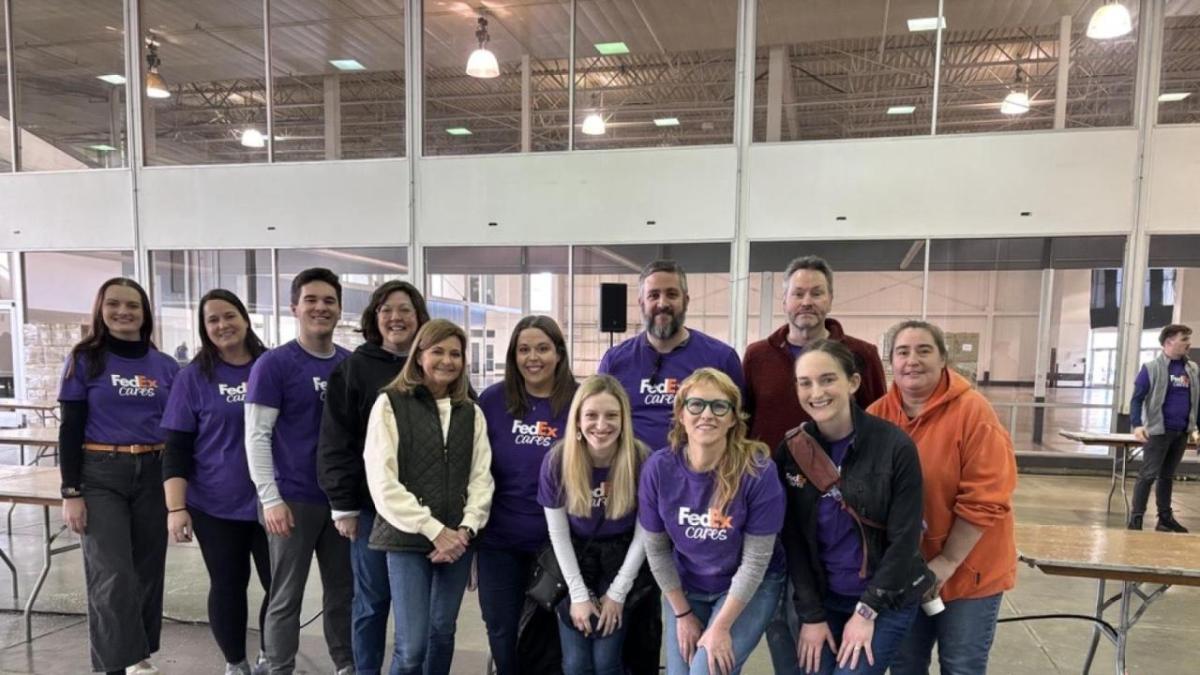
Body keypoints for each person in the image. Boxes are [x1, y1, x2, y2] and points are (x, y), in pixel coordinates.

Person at [868, 320, 1017, 675]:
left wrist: (947, 562)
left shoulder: (974, 413)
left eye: (924, 350)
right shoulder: (876, 417)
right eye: (902, 352)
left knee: (961, 665)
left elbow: (986, 497)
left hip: (969, 571)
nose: (912, 360)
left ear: (943, 358)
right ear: (891, 361)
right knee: (904, 665)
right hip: (904, 572)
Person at [777, 340, 931, 675]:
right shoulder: (791, 452)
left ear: (854, 383)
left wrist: (867, 612)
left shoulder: (895, 447)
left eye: (828, 379)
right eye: (805, 383)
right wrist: (811, 615)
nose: (816, 392)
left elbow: (905, 540)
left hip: (885, 597)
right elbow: (794, 542)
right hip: (823, 597)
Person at [57, 278, 180, 675]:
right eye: (114, 304)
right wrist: (70, 491)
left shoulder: (165, 366)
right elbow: (70, 426)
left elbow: (179, 428)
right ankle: (115, 665)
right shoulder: (84, 359)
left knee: (147, 572)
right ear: (101, 309)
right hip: (100, 474)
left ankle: (138, 655)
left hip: (154, 473)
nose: (123, 312)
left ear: (145, 314)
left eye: (133, 305)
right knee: (112, 575)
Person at [362, 319, 495, 675]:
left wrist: (465, 530)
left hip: (457, 542)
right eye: (438, 351)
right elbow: (382, 480)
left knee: (442, 632)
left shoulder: (472, 412)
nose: (447, 360)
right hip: (407, 538)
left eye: (455, 353)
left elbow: (482, 478)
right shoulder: (390, 404)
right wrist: (433, 529)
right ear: (419, 356)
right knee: (411, 647)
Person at [639, 367, 786, 675]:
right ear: (681, 414)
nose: (707, 414)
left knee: (705, 671)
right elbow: (656, 550)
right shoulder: (658, 469)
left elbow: (756, 561)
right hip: (687, 585)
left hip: (750, 586)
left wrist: (720, 627)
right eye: (696, 404)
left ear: (733, 418)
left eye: (720, 406)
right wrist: (682, 615)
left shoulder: (757, 471)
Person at [317, 280, 431, 675]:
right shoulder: (353, 370)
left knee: (420, 610)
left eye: (405, 309)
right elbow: (337, 441)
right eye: (387, 310)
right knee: (372, 601)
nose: (396, 317)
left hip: (430, 511)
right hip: (371, 510)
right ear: (374, 318)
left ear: (419, 317)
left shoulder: (433, 363)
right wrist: (343, 506)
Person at [244, 268, 353, 675]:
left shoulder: (348, 364)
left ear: (339, 309)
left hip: (341, 502)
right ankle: (278, 666)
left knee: (344, 592)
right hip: (292, 499)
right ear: (295, 307)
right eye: (311, 299)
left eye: (328, 300)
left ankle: (347, 664)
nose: (320, 307)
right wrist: (270, 498)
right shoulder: (274, 365)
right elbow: (256, 436)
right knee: (286, 594)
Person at [161, 289, 272, 675]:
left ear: (245, 318)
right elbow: (176, 447)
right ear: (204, 329)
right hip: (215, 504)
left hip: (273, 502)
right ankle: (235, 663)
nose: (223, 325)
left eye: (229, 315)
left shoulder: (271, 366)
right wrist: (176, 508)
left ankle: (270, 657)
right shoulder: (193, 378)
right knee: (228, 585)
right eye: (213, 320)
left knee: (279, 587)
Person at [476, 316, 577, 675]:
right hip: (499, 541)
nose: (533, 357)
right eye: (524, 349)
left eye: (542, 348)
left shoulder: (580, 402)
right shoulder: (491, 401)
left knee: (547, 635)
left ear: (559, 354)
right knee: (502, 629)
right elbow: (474, 471)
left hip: (558, 543)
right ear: (513, 356)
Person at [538, 374, 651, 675]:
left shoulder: (642, 459)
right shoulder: (557, 460)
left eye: (611, 415)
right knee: (575, 664)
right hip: (574, 558)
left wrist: (617, 593)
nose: (601, 425)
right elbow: (558, 534)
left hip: (623, 558)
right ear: (577, 420)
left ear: (624, 419)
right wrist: (577, 594)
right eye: (591, 415)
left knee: (606, 662)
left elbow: (646, 532)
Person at [599, 259, 744, 452]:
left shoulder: (721, 358)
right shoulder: (615, 360)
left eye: (672, 294)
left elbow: (740, 425)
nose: (662, 303)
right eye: (653, 295)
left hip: (699, 477)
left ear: (686, 301)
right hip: (630, 475)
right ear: (641, 303)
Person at [744, 255, 887, 451]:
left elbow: (879, 417)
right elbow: (743, 420)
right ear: (784, 301)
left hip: (843, 475)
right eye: (798, 294)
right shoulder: (757, 356)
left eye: (817, 293)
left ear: (830, 300)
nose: (807, 302)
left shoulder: (863, 354)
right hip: (770, 475)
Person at [1127, 323, 1198, 532]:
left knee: (1167, 476)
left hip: (1182, 431)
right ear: (1169, 342)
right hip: (1159, 431)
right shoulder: (1151, 368)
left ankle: (1164, 518)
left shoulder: (1192, 369)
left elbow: (1197, 400)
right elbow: (1136, 399)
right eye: (1184, 339)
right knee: (1148, 475)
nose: (1189, 343)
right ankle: (1136, 518)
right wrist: (1137, 424)